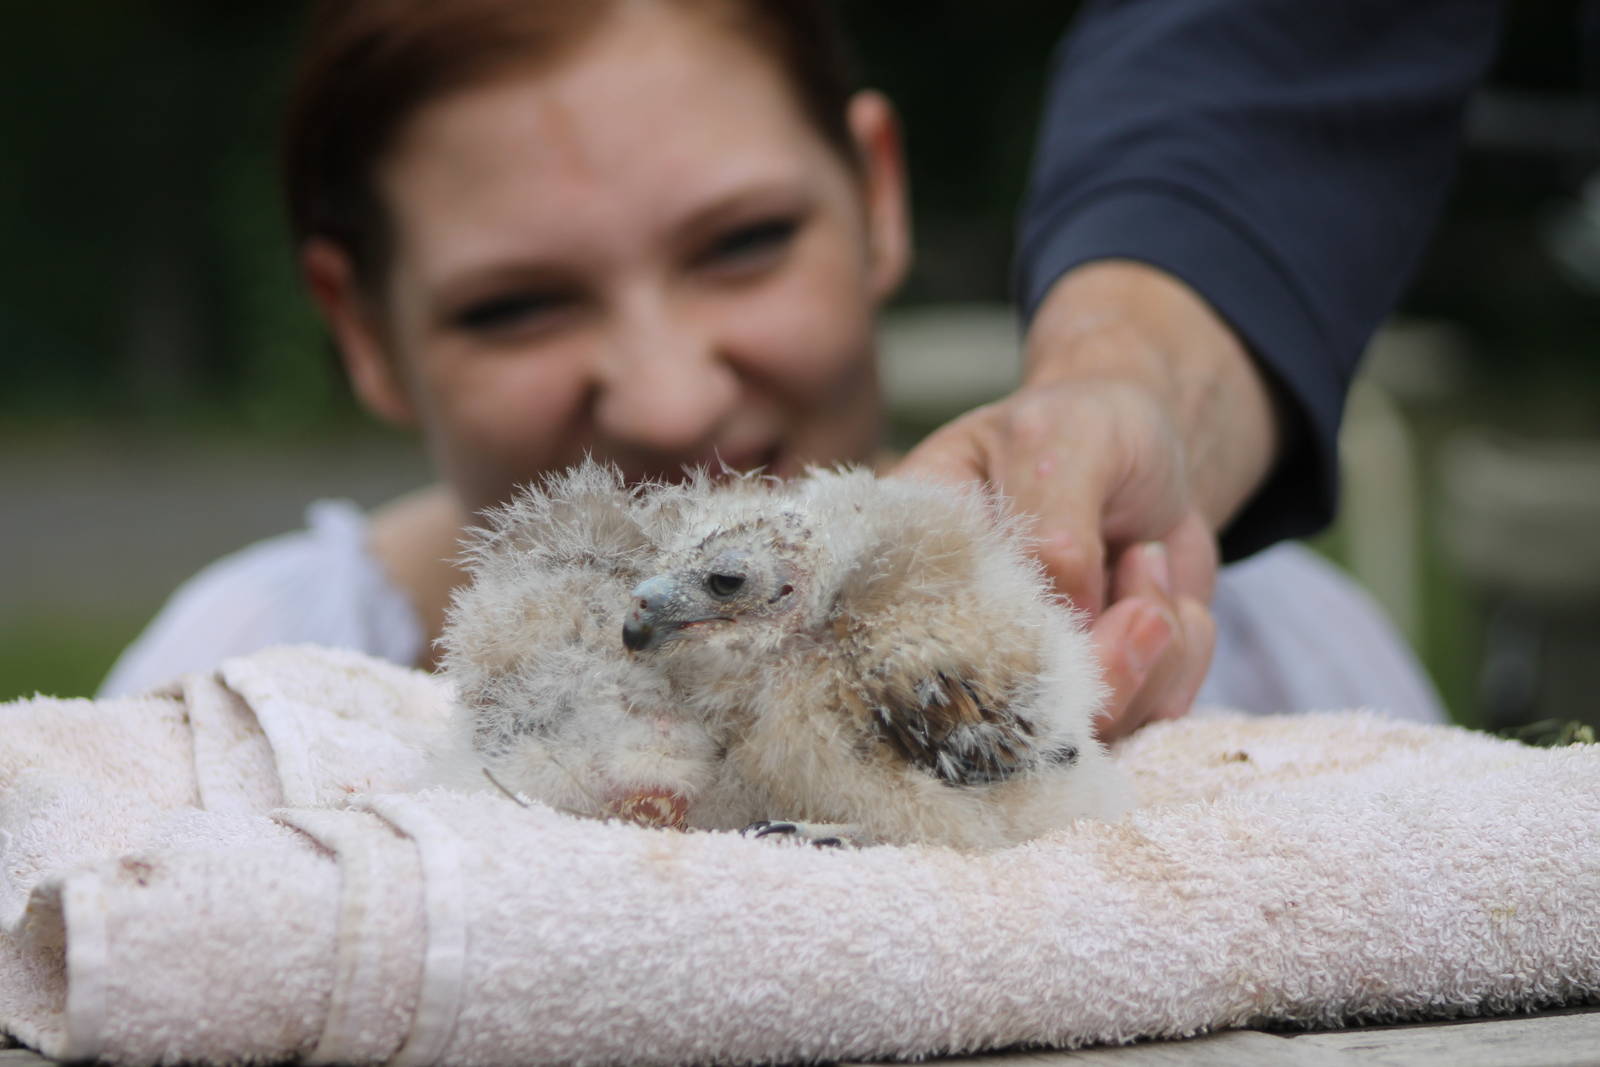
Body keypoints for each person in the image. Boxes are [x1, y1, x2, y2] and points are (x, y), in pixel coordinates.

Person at [99, 0, 1445, 737]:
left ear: (877, 192)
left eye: (743, 244)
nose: (672, 398)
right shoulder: (239, 693)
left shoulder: (1233, 634)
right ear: (361, 330)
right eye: (516, 307)